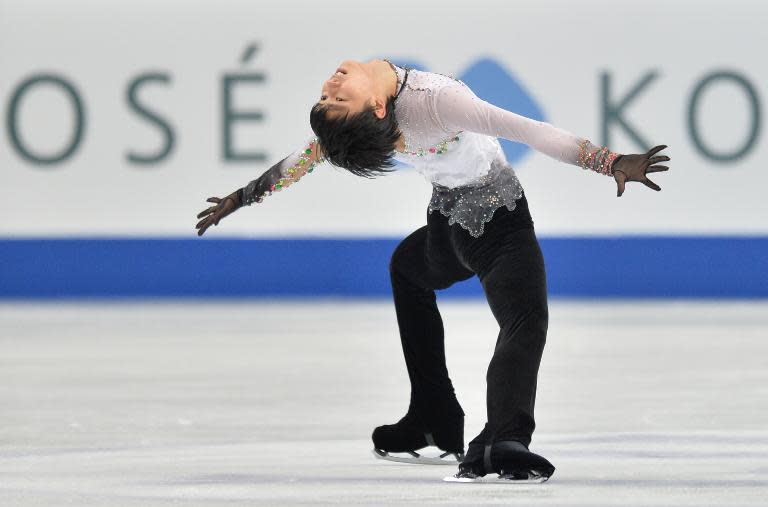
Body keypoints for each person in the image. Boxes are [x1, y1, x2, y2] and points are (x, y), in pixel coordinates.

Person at [195, 58, 670, 483]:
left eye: (331, 96)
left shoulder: (410, 107)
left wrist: (243, 195)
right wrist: (606, 162)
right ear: (378, 109)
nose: (331, 84)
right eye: (333, 97)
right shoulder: (433, 103)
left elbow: (308, 156)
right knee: (524, 321)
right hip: (493, 225)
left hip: (450, 229)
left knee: (409, 270)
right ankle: (501, 438)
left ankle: (435, 415)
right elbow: (528, 130)